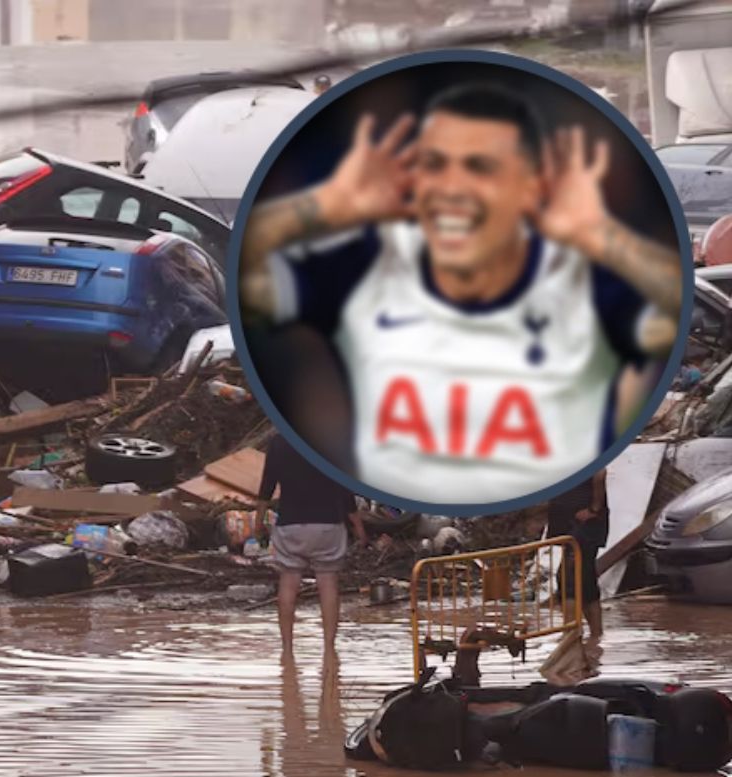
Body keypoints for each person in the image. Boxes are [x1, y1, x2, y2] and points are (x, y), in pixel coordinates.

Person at [239, 82, 683, 506]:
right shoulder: (371, 274)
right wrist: (323, 205)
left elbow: (671, 304)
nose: (449, 188)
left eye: (479, 167)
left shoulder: (578, 300)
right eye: (433, 164)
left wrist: (601, 235)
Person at [258, 433, 367, 655]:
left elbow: (267, 484)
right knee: (328, 585)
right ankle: (329, 649)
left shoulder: (279, 441)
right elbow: (345, 490)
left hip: (290, 525)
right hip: (328, 525)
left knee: (288, 584)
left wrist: (259, 520)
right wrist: (358, 526)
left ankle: (287, 649)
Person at [545, 466, 609, 641]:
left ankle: (570, 636)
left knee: (569, 580)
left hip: (583, 523)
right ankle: (596, 636)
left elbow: (600, 472)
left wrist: (594, 509)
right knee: (586, 580)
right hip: (569, 520)